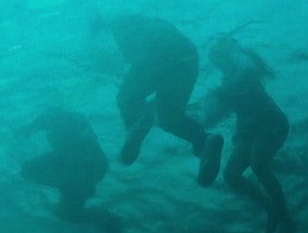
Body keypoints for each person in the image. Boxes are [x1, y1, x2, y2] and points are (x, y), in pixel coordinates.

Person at [92, 14, 224, 186]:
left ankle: (138, 124)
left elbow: (137, 59)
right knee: (170, 119)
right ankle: (205, 141)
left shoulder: (120, 23)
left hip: (155, 50)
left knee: (127, 98)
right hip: (187, 57)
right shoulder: (153, 21)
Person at [201, 34, 293, 233]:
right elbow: (218, 112)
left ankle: (284, 217)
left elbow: (247, 74)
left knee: (258, 165)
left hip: (268, 121)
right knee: (231, 175)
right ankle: (270, 208)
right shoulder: (227, 78)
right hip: (249, 130)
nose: (216, 62)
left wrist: (220, 95)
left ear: (225, 53)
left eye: (218, 56)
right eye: (213, 59)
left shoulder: (241, 61)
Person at [19, 107, 123, 233]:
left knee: (29, 170)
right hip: (86, 173)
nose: (48, 134)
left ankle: (105, 218)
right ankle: (106, 220)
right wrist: (30, 129)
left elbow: (76, 149)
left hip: (84, 167)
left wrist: (30, 130)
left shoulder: (69, 122)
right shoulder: (69, 123)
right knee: (66, 212)